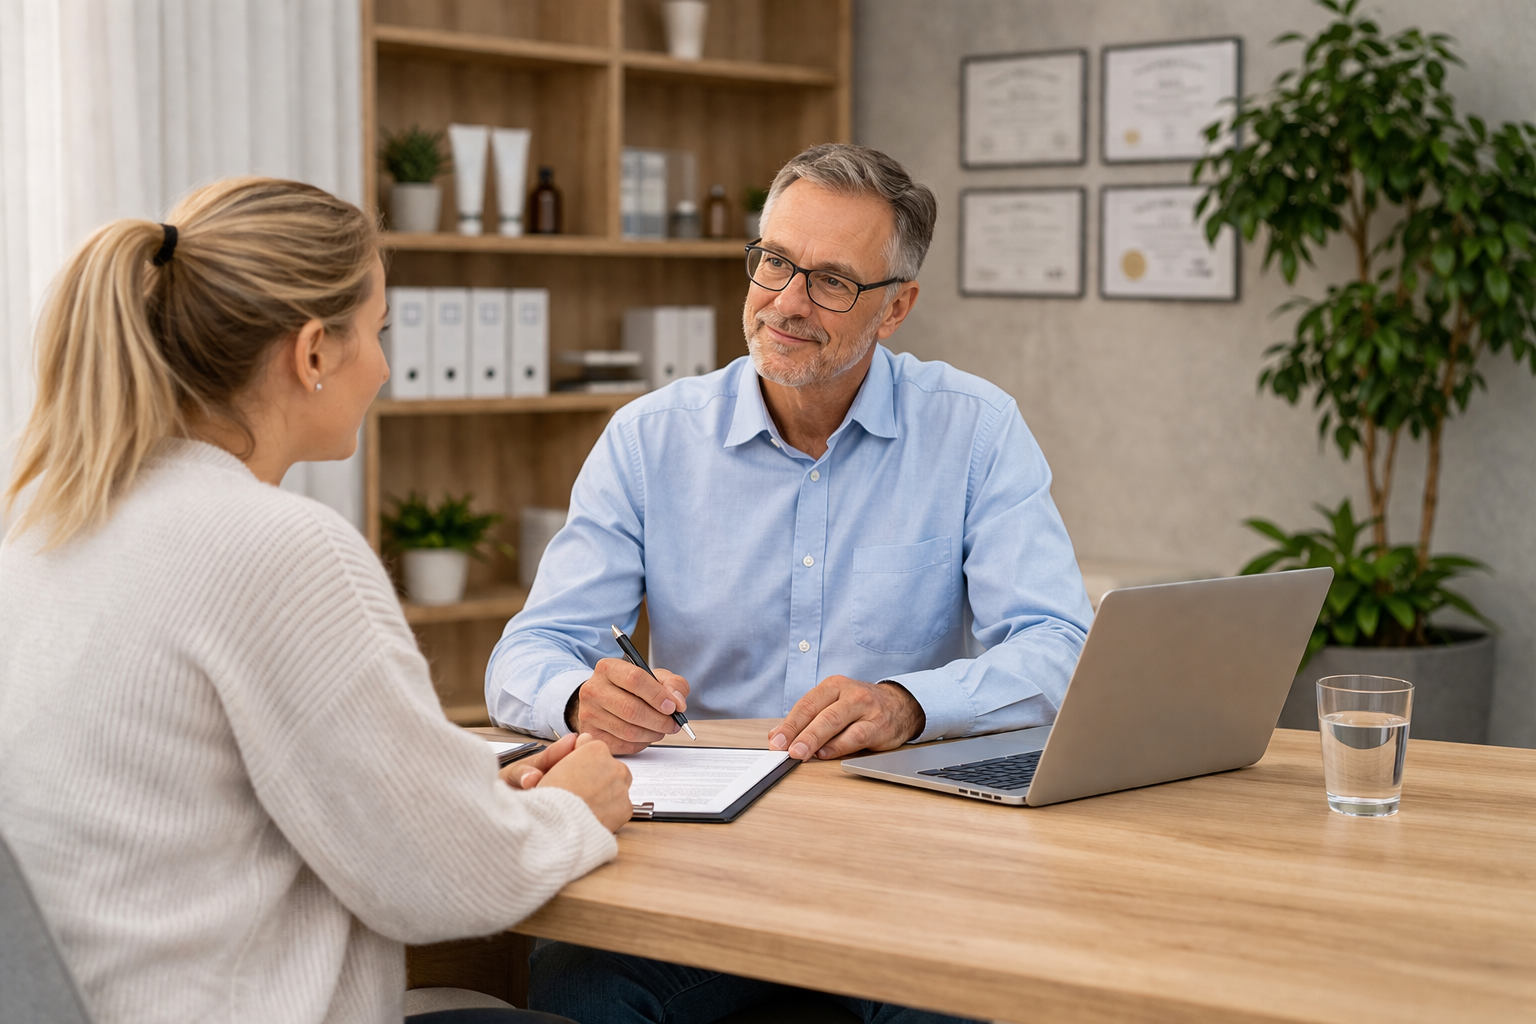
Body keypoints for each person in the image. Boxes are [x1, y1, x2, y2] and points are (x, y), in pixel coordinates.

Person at [0, 177, 633, 1024]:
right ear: (311, 355)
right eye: (377, 333)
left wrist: (473, 806)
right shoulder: (278, 548)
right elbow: (445, 887)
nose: (381, 364)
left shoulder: (44, 522)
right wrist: (575, 808)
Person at [489, 144, 1092, 1022]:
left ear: (897, 308)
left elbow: (1060, 645)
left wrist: (908, 703)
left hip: (903, 866)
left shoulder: (976, 431)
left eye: (832, 282)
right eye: (775, 262)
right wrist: (582, 698)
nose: (787, 303)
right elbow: (527, 651)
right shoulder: (649, 439)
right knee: (582, 988)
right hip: (694, 864)